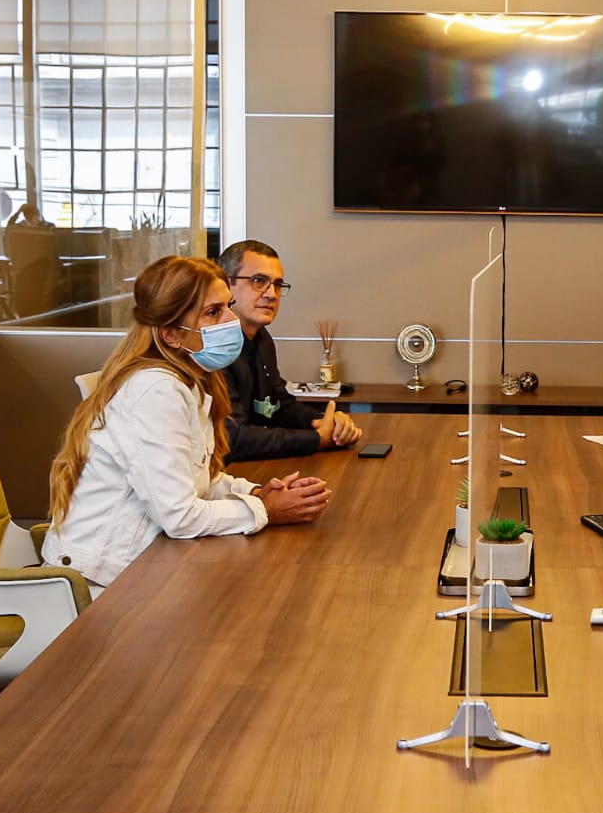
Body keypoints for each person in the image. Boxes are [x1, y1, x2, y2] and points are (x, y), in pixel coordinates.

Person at [42, 256, 331, 588]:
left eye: (228, 307)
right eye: (213, 313)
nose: (231, 321)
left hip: (148, 562)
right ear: (171, 335)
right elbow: (179, 517)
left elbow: (197, 478)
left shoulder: (188, 379)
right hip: (100, 584)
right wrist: (265, 510)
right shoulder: (156, 389)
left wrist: (256, 491)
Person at [218, 240, 363, 461]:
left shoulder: (262, 339)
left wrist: (326, 422)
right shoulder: (212, 348)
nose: (272, 294)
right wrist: (317, 439)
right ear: (226, 285)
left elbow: (279, 406)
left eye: (277, 284)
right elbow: (233, 438)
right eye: (258, 281)